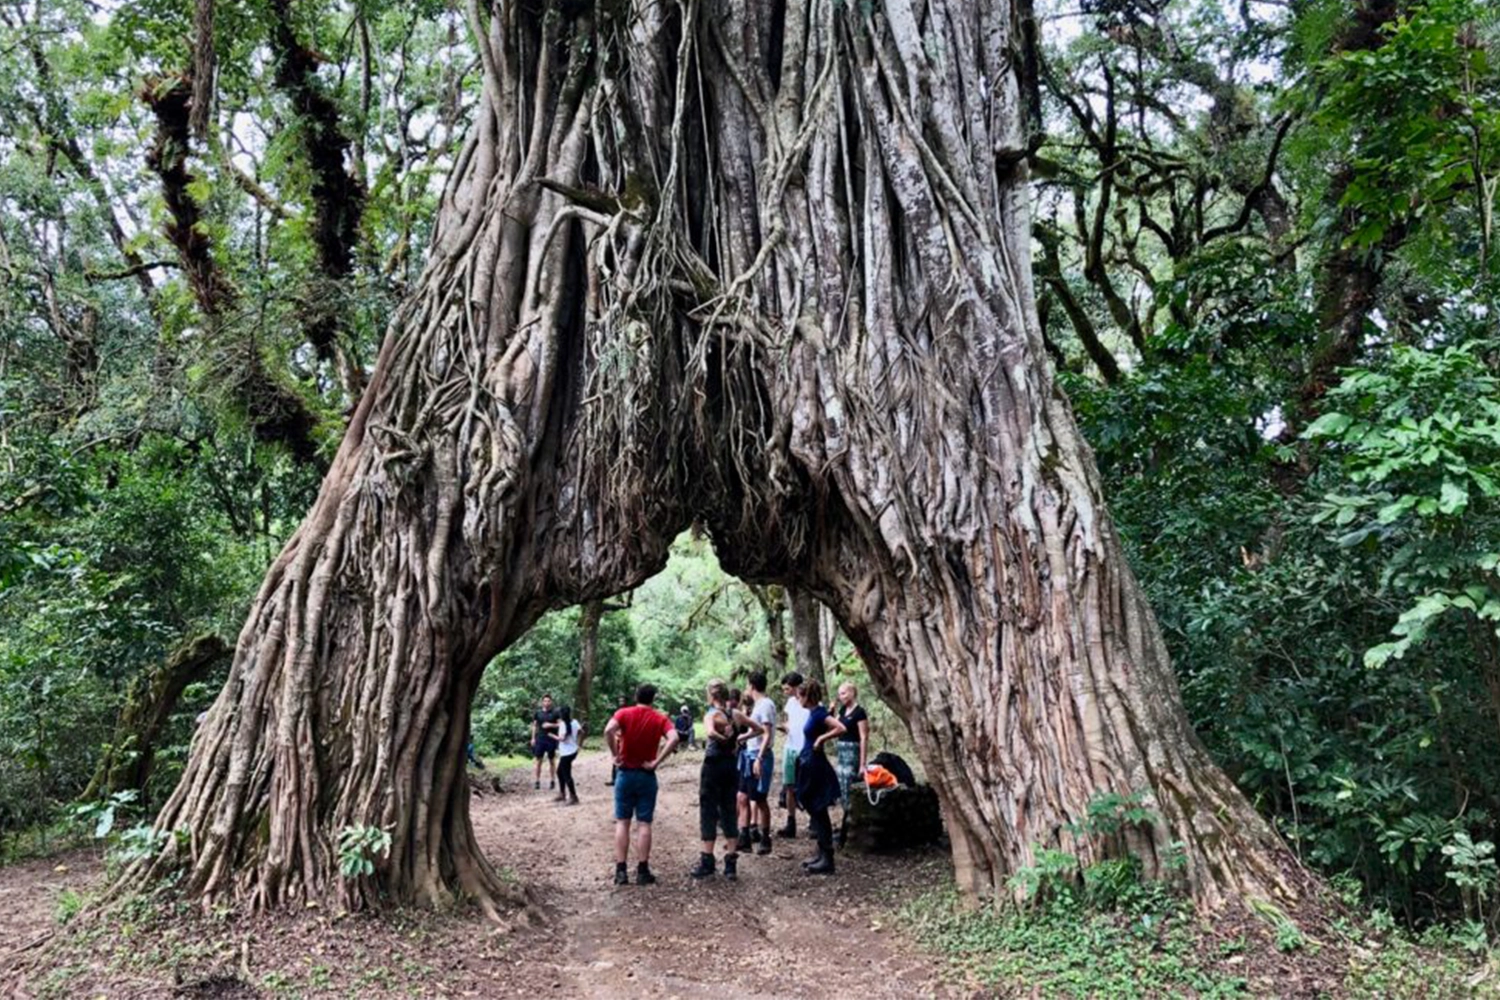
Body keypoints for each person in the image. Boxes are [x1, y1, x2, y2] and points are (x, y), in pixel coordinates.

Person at [603, 684, 679, 885]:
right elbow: (674, 738)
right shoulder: (660, 718)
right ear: (653, 699)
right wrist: (657, 761)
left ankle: (621, 871)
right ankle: (643, 871)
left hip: (625, 774)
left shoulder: (624, 713)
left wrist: (614, 755)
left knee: (623, 822)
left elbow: (608, 730)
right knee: (644, 823)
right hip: (646, 775)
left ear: (636, 695)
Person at [691, 680, 766, 880]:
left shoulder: (711, 715)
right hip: (730, 766)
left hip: (713, 765)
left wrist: (722, 739)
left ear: (711, 696)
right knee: (728, 808)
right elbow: (759, 729)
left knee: (708, 809)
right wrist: (738, 740)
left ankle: (707, 860)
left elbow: (709, 732)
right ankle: (730, 863)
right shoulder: (736, 714)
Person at [794, 679, 845, 875]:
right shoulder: (813, 713)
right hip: (809, 761)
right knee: (814, 808)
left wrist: (821, 739)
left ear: (807, 696)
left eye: (800, 696)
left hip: (815, 763)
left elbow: (841, 728)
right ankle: (821, 854)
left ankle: (828, 859)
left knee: (818, 808)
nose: (798, 699)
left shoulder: (819, 713)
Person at [736, 671, 778, 856]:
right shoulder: (757, 705)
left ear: (752, 686)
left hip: (760, 756)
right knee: (742, 797)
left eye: (747, 685)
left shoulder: (766, 705)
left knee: (759, 799)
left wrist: (759, 759)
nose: (746, 689)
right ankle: (744, 837)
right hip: (748, 755)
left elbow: (767, 733)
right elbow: (757, 730)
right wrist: (744, 736)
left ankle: (765, 838)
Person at [834, 682, 870, 847]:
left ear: (851, 693)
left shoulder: (859, 712)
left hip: (853, 754)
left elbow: (863, 737)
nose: (841, 697)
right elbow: (834, 726)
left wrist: (862, 763)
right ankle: (845, 829)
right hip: (841, 754)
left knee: (850, 790)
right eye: (839, 694)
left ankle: (846, 832)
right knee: (842, 791)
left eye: (843, 693)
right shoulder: (842, 711)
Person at [777, 671, 808, 838]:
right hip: (790, 746)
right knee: (789, 785)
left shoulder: (811, 702)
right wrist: (785, 727)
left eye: (787, 688)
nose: (786, 691)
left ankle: (814, 822)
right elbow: (790, 721)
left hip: (805, 748)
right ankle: (791, 822)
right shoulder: (790, 703)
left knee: (808, 785)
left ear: (796, 687)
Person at [532, 694, 561, 790]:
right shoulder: (538, 713)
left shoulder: (555, 713)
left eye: (548, 701)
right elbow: (534, 726)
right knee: (538, 760)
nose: (546, 703)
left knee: (552, 760)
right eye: (545, 701)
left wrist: (550, 725)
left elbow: (560, 724)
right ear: (542, 702)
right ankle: (537, 781)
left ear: (551, 702)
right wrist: (532, 738)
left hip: (551, 739)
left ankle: (552, 780)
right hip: (540, 739)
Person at [555, 706, 581, 805]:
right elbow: (581, 732)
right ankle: (562, 793)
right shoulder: (574, 722)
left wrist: (552, 735)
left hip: (566, 753)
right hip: (572, 750)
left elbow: (562, 738)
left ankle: (573, 796)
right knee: (559, 772)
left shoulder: (563, 725)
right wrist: (579, 744)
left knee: (566, 774)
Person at [606, 694, 629, 786]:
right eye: (620, 701)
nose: (621, 702)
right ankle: (614, 778)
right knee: (616, 758)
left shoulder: (628, 712)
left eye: (623, 701)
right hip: (618, 738)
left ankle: (622, 779)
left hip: (625, 738)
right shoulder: (618, 712)